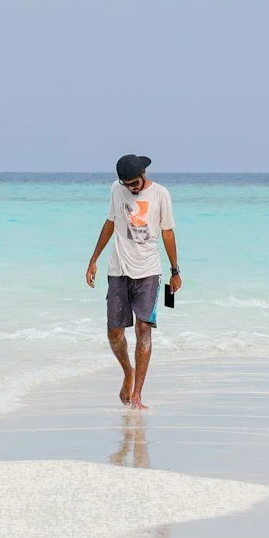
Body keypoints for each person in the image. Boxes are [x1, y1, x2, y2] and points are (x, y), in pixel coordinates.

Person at [84, 153, 181, 408]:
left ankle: (137, 395)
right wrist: (93, 259)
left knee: (143, 330)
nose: (131, 188)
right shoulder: (116, 190)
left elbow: (168, 233)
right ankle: (128, 371)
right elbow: (109, 222)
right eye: (127, 184)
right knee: (114, 332)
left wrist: (175, 271)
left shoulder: (161, 194)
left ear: (144, 175)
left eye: (135, 184)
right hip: (118, 270)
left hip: (149, 271)